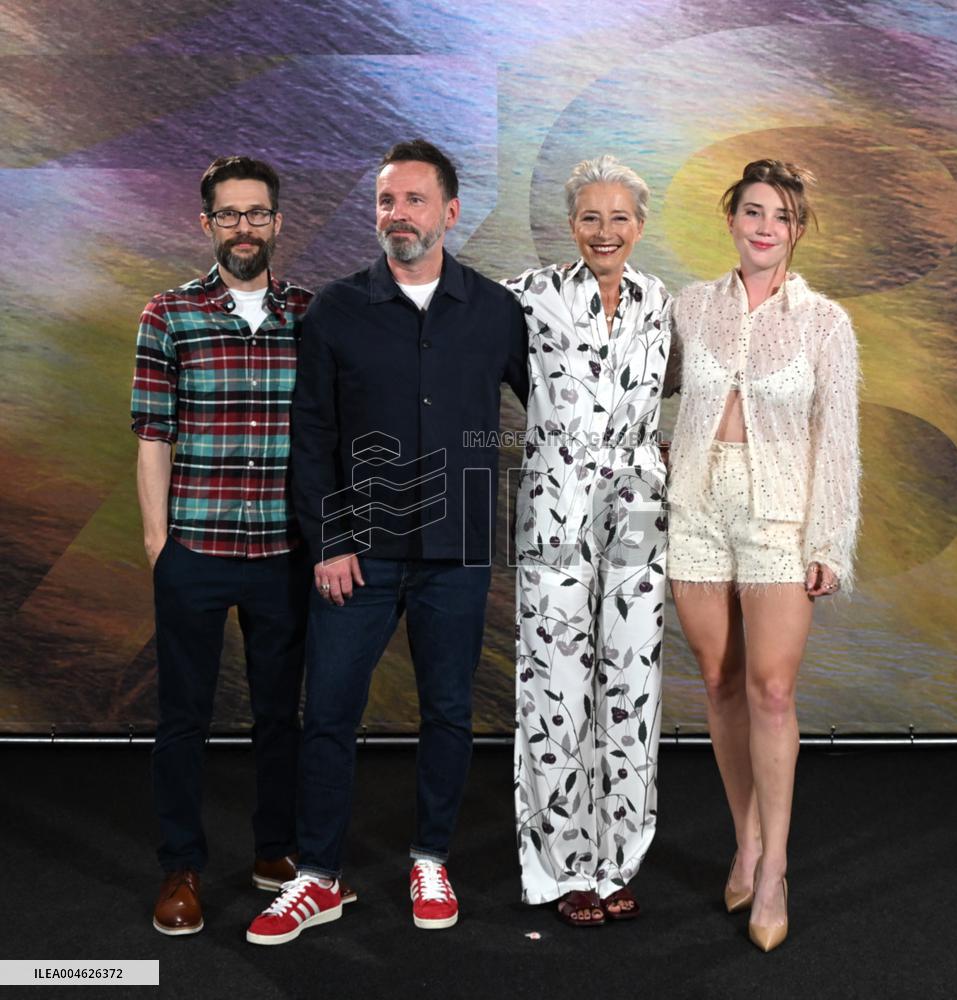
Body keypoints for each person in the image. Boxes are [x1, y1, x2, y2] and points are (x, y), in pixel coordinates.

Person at [245, 139, 529, 945]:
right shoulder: (336, 310)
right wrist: (329, 540)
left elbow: (561, 402)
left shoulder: (495, 310)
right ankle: (319, 877)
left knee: (446, 712)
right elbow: (313, 433)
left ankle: (430, 856)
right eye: (384, 201)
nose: (395, 215)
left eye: (411, 200)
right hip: (356, 552)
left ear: (450, 211)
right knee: (329, 711)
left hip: (458, 546)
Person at [131, 155, 356, 935]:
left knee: (279, 718)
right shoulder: (169, 314)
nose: (244, 228)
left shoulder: (311, 313)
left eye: (257, 214)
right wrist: (160, 543)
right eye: (228, 215)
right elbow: (154, 435)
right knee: (183, 718)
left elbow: (329, 436)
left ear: (278, 222)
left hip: (284, 556)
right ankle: (180, 868)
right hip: (194, 549)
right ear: (207, 225)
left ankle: (273, 854)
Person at [666, 159, 860, 951]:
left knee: (770, 690)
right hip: (694, 510)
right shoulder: (686, 307)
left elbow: (837, 437)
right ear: (731, 220)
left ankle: (773, 866)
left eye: (778, 216)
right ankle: (741, 840)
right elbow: (642, 388)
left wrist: (829, 540)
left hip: (780, 516)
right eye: (751, 211)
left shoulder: (825, 323)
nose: (763, 226)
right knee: (718, 682)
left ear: (797, 231)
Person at [504, 155, 673, 927]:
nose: (604, 232)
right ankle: (562, 868)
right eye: (589, 218)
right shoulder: (528, 297)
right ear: (571, 225)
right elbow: (443, 331)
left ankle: (617, 861)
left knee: (631, 682)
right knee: (555, 686)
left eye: (619, 218)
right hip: (555, 507)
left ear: (640, 225)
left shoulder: (661, 301)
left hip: (639, 509)